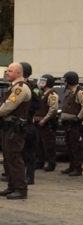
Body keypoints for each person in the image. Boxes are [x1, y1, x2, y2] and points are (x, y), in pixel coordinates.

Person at [0, 62, 32, 199]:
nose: (7, 73)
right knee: (7, 158)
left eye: (10, 71)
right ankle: (12, 186)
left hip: (15, 128)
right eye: (7, 71)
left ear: (19, 73)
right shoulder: (13, 87)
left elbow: (8, 106)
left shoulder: (20, 88)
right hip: (8, 127)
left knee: (14, 158)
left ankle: (21, 189)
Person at [60, 71, 83, 176]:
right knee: (69, 146)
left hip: (75, 125)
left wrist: (78, 118)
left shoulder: (81, 92)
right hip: (68, 124)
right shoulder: (70, 93)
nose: (64, 83)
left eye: (65, 81)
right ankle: (72, 166)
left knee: (76, 146)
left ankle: (77, 168)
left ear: (70, 81)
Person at [19, 62, 41, 185]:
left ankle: (30, 176)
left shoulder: (33, 87)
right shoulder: (17, 86)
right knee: (18, 152)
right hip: (17, 123)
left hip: (28, 123)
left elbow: (38, 104)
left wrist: (24, 107)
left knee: (29, 151)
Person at [34, 74, 59, 172]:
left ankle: (51, 163)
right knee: (39, 144)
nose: (41, 84)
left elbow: (53, 109)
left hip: (47, 124)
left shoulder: (52, 95)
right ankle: (40, 162)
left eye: (43, 82)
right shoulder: (42, 94)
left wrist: (45, 119)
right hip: (38, 123)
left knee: (49, 144)